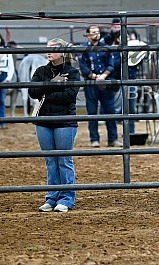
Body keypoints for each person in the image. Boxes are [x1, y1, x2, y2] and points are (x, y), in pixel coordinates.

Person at [29, 38, 80, 213]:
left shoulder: (72, 73)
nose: (49, 51)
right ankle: (52, 197)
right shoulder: (41, 71)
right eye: (48, 48)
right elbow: (32, 92)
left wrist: (46, 92)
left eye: (53, 48)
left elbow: (69, 95)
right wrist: (54, 84)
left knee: (63, 160)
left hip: (65, 120)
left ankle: (66, 198)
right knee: (51, 161)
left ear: (63, 52)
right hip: (44, 120)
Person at [78, 25, 119, 147]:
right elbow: (83, 68)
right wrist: (96, 76)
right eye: (94, 32)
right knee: (92, 112)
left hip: (104, 82)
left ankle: (113, 139)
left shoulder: (106, 48)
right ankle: (94, 139)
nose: (97, 34)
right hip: (91, 83)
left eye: (98, 32)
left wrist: (103, 76)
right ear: (88, 35)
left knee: (110, 111)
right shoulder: (82, 49)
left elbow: (111, 65)